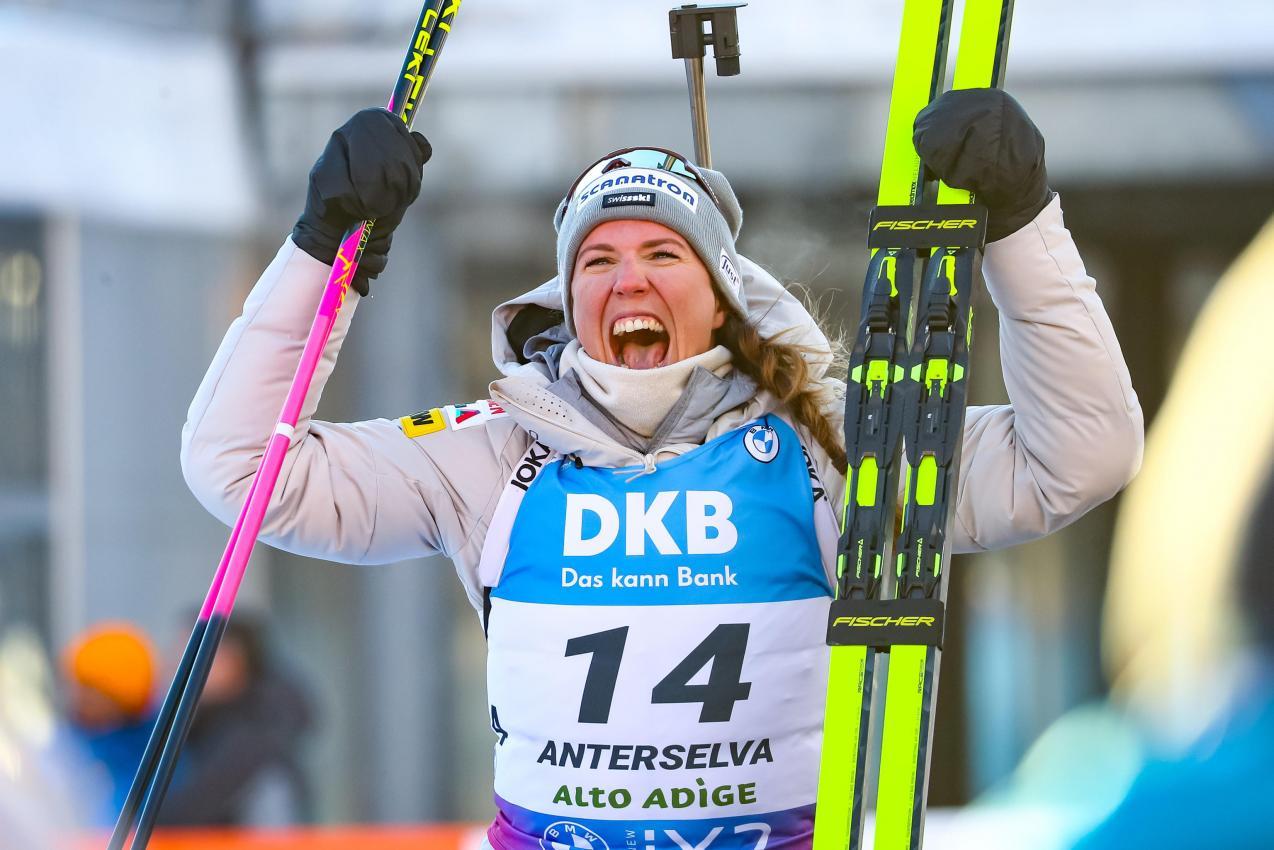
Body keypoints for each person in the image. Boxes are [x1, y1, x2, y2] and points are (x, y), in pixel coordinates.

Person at [181, 92, 1143, 850]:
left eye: (661, 252)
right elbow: (234, 465)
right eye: (595, 259)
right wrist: (325, 250)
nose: (627, 278)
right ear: (568, 296)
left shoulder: (828, 441)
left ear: (721, 295)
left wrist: (1022, 226)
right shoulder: (491, 451)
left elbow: (1079, 456)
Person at [156, 615, 314, 827]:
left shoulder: (256, 735)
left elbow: (182, 811)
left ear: (233, 661)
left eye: (190, 658)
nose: (175, 667)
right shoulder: (203, 727)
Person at [60, 622, 158, 828]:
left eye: (89, 688)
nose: (77, 696)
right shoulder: (65, 738)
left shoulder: (154, 749)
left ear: (117, 697)